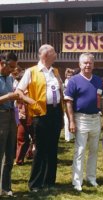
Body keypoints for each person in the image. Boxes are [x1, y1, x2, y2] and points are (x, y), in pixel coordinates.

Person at [16, 44, 63, 191]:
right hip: (40, 113)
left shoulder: (55, 71)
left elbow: (60, 88)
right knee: (41, 148)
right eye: (54, 53)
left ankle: (50, 181)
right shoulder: (31, 71)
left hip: (55, 112)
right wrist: (31, 102)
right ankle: (35, 183)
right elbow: (19, 91)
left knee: (52, 148)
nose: (56, 55)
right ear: (45, 55)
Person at [64, 53, 103, 192]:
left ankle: (91, 177)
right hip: (80, 118)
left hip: (95, 118)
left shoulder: (97, 80)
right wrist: (71, 121)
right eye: (85, 63)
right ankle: (77, 181)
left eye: (90, 63)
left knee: (94, 150)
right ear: (80, 64)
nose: (87, 65)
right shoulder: (74, 81)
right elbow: (68, 102)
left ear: (93, 64)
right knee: (80, 150)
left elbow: (102, 100)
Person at [0, 52, 20, 197]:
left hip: (11, 115)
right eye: (11, 67)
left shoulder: (9, 78)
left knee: (9, 154)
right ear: (2, 63)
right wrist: (8, 96)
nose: (13, 70)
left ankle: (6, 187)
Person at [63, 68, 75, 142]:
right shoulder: (65, 83)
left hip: (73, 102)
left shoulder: (73, 82)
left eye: (70, 75)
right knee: (67, 119)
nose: (69, 76)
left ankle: (73, 135)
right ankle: (68, 137)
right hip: (66, 102)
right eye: (68, 75)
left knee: (73, 118)